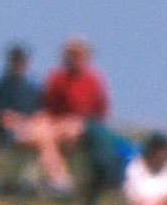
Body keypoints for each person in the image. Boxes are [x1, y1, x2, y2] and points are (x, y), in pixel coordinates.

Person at [33, 37, 111, 194]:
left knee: (65, 132)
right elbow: (47, 105)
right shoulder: (57, 78)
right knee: (42, 135)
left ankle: (57, 179)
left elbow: (101, 110)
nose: (75, 59)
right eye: (71, 55)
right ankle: (58, 179)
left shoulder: (93, 81)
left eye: (79, 55)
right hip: (57, 124)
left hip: (83, 126)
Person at [0, 43, 42, 192]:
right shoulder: (0, 86)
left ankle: (28, 184)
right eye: (16, 60)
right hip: (7, 134)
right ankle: (12, 184)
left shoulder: (32, 88)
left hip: (31, 132)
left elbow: (40, 112)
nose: (19, 64)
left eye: (21, 60)